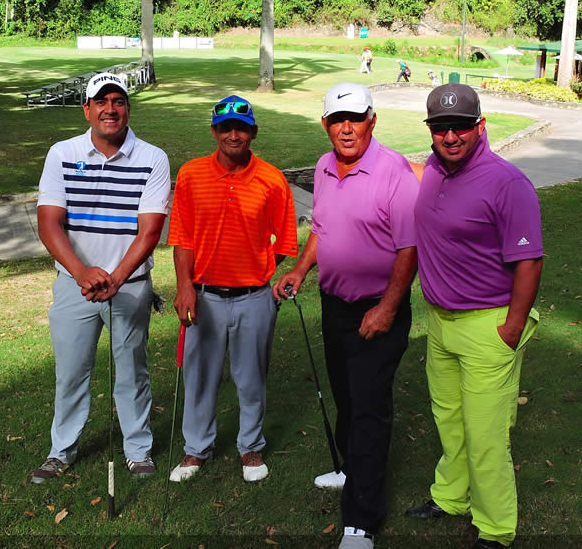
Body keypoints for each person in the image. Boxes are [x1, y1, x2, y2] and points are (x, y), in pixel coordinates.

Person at [274, 83, 418, 549]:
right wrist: (300, 269)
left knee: (370, 409)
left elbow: (409, 248)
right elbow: (322, 227)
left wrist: (388, 308)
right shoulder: (323, 166)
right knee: (346, 398)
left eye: (355, 118)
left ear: (372, 120)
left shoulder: (394, 170)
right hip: (335, 306)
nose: (347, 128)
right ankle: (349, 468)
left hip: (378, 308)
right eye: (338, 120)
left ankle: (361, 520)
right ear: (325, 125)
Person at [406, 83, 543, 549]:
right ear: (430, 130)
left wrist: (512, 328)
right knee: (449, 420)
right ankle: (451, 496)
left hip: (490, 323)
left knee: (486, 434)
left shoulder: (508, 183)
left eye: (461, 127)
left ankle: (496, 527)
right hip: (440, 323)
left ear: (480, 126)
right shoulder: (432, 168)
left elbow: (529, 261)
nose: (450, 136)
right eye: (441, 127)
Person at [32, 72, 171, 484]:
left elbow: (150, 230)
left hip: (130, 285)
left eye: (119, 101)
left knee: (132, 370)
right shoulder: (62, 153)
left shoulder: (153, 158)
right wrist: (82, 272)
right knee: (71, 371)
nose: (110, 109)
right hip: (75, 284)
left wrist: (117, 277)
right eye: (101, 102)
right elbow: (49, 223)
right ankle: (61, 451)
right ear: (87, 110)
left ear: (128, 108)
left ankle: (137, 450)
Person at [167, 95, 298, 483]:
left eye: (241, 128)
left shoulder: (272, 179)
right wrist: (185, 286)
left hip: (254, 297)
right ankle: (196, 448)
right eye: (226, 128)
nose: (234, 135)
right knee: (199, 376)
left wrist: (257, 268)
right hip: (203, 296)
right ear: (214, 132)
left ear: (253, 133)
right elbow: (182, 238)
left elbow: (284, 241)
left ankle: (250, 447)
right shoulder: (191, 174)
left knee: (251, 377)